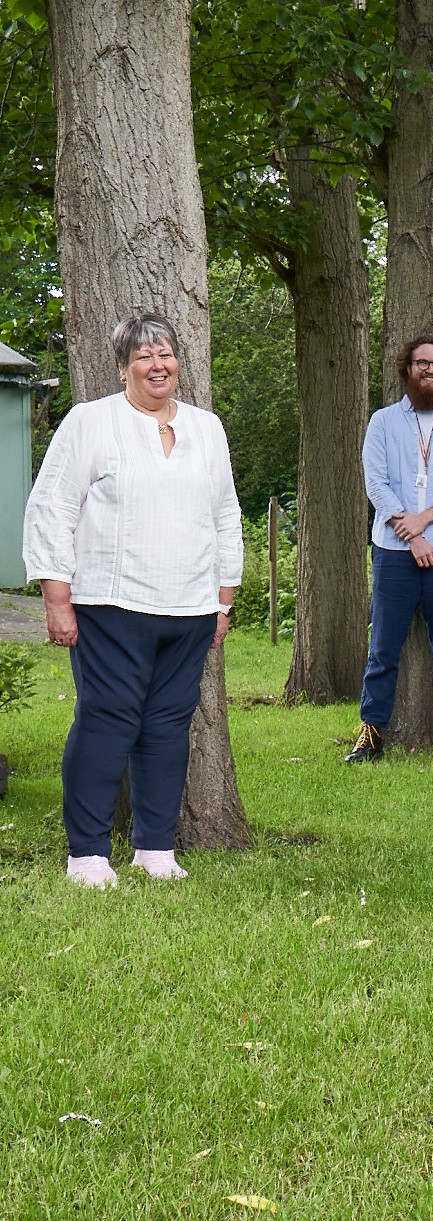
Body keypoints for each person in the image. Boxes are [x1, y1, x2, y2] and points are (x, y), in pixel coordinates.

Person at [23, 313, 243, 889]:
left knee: (168, 728)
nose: (157, 365)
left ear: (179, 364)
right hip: (111, 605)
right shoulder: (91, 422)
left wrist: (223, 595)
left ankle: (154, 849)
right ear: (123, 368)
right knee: (107, 722)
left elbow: (224, 513)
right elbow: (53, 507)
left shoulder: (207, 428)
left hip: (190, 609)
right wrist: (56, 596)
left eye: (165, 354)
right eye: (143, 356)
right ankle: (88, 854)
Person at [345, 336, 433, 763]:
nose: (430, 370)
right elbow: (376, 484)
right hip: (393, 551)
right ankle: (371, 735)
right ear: (406, 368)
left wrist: (424, 523)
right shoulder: (383, 422)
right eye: (422, 363)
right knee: (383, 647)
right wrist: (412, 535)